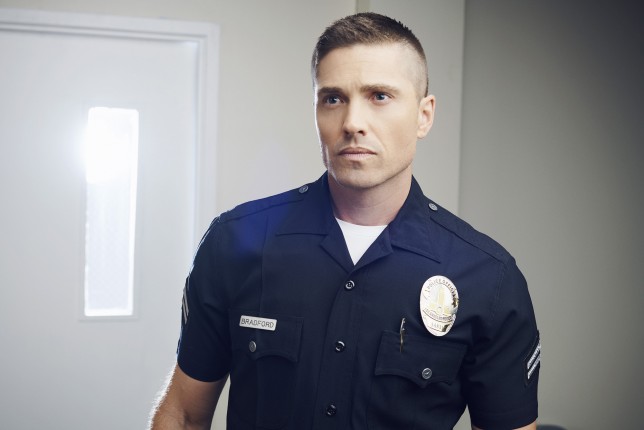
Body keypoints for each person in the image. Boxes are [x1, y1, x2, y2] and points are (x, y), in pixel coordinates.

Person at [149, 12, 540, 430]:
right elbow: (184, 415)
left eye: (379, 96)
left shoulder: (488, 279)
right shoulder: (234, 243)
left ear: (424, 115)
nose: (353, 123)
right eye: (333, 99)